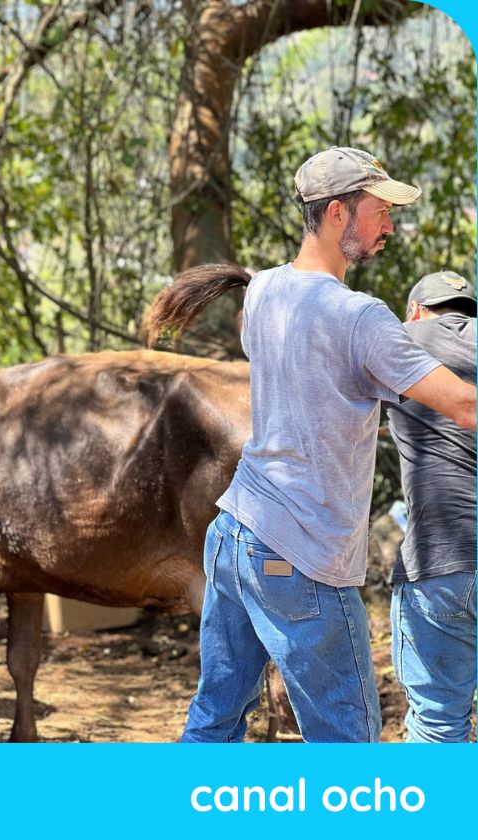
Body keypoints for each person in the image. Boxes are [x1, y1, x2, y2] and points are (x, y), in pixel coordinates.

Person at [176, 147, 477, 742]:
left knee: (214, 720)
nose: (389, 225)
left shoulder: (261, 292)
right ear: (338, 213)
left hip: (236, 535)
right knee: (348, 745)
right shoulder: (362, 318)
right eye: (379, 211)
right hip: (303, 557)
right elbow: (465, 404)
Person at [386, 270, 476, 742]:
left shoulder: (398, 341)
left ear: (416, 311)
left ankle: (441, 816)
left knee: (439, 723)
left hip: (443, 564)